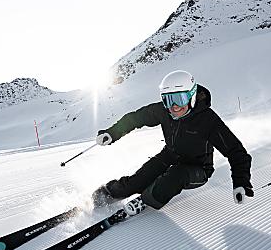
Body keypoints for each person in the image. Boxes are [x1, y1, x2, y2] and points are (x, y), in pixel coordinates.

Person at [91, 70, 253, 213]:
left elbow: (236, 153)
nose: (174, 106)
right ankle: (108, 193)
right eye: (168, 100)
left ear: (192, 96)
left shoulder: (207, 120)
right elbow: (136, 118)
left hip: (198, 168)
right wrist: (112, 133)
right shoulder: (163, 111)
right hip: (169, 156)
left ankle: (146, 200)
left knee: (174, 176)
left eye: (179, 99)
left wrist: (241, 182)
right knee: (137, 181)